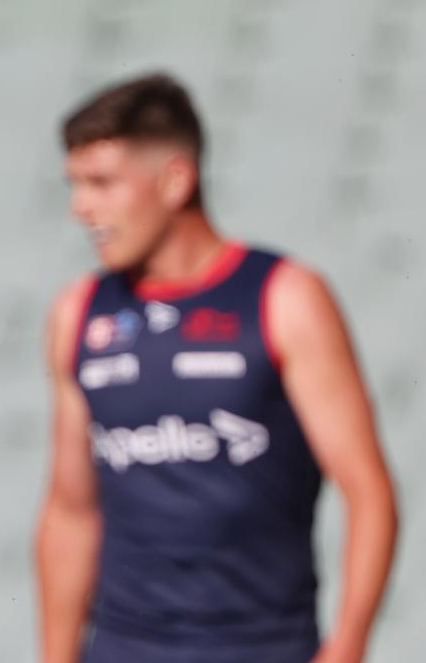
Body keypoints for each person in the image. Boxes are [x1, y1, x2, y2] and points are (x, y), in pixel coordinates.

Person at [34, 73, 398, 663]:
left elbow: (368, 490)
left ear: (175, 179)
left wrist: (348, 646)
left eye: (101, 183)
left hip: (264, 647)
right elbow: (71, 509)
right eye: (74, 184)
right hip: (126, 648)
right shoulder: (78, 313)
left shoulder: (284, 297)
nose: (81, 208)